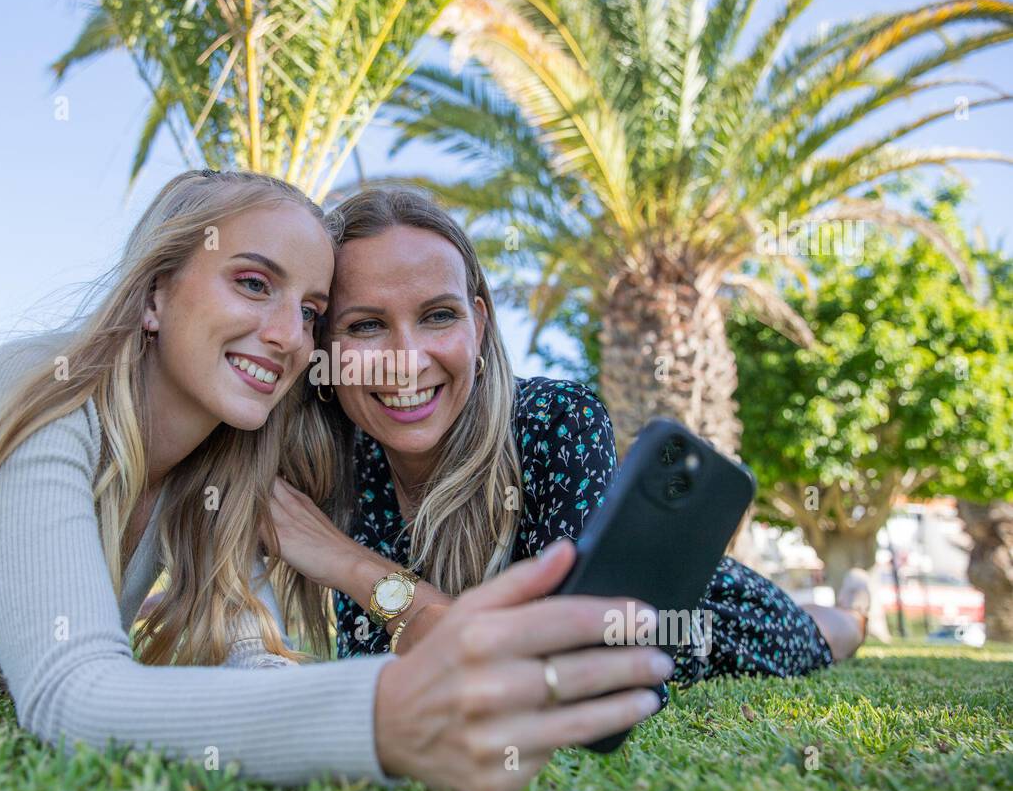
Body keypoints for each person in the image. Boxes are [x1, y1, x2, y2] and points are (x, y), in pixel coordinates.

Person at [0, 170, 666, 791]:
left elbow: (244, 652)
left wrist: (311, 696)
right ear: (158, 291)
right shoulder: (40, 395)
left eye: (311, 310)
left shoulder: (224, 458)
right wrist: (381, 714)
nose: (291, 335)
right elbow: (69, 696)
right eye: (254, 284)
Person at [265, 188, 867, 711]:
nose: (407, 359)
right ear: (325, 344)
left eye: (437, 316)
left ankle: (854, 604)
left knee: (829, 635)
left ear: (478, 327)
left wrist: (346, 564)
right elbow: (399, 666)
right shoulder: (342, 461)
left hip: (704, 614)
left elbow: (566, 669)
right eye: (366, 325)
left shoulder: (557, 420)